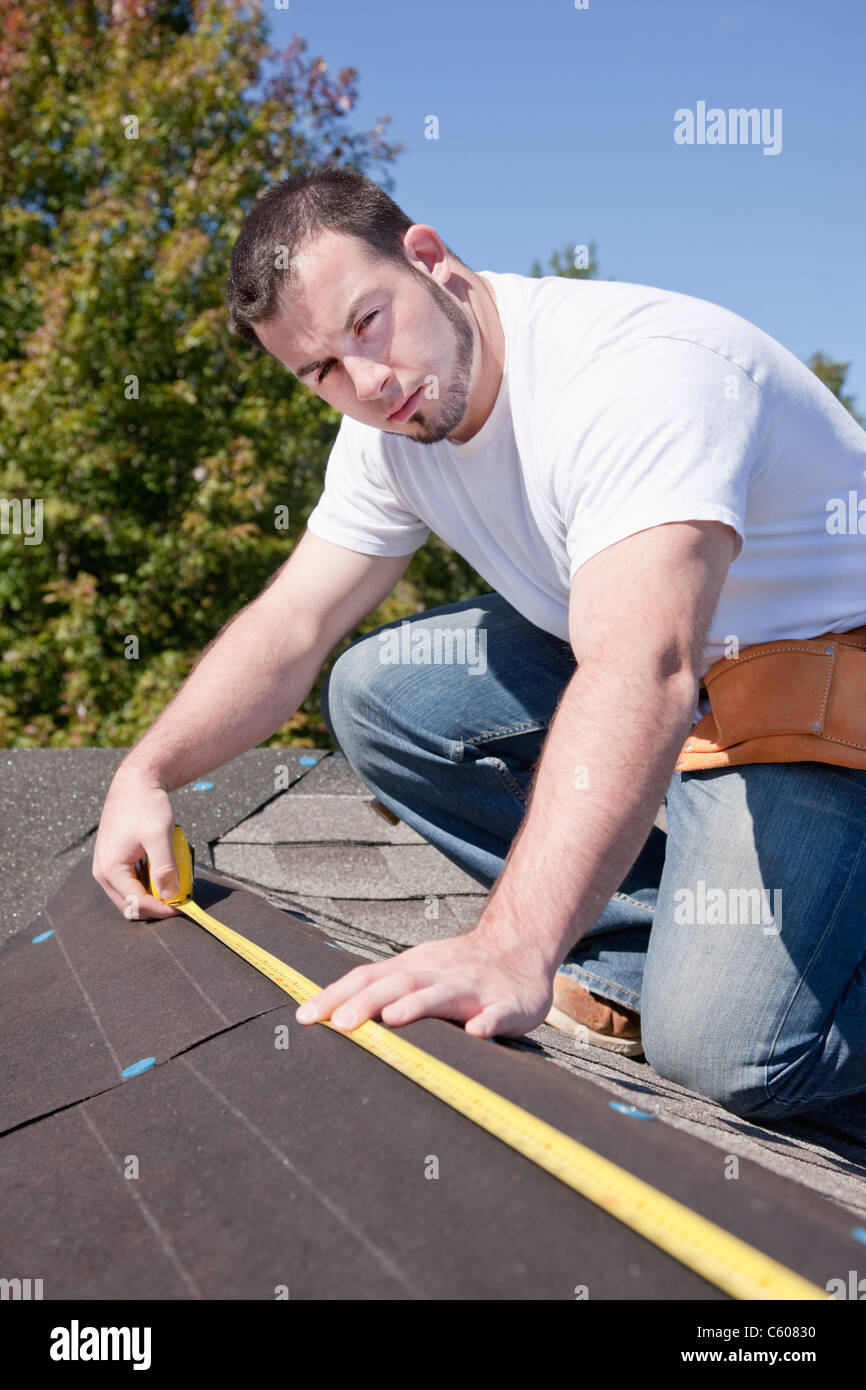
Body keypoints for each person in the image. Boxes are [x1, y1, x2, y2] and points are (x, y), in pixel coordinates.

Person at [93, 168, 866, 1121]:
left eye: (367, 322)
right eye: (321, 371)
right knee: (382, 688)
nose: (368, 384)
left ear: (429, 259)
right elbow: (294, 627)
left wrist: (511, 947)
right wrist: (147, 770)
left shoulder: (636, 376)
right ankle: (634, 962)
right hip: (694, 695)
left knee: (730, 1052)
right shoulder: (387, 435)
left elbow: (640, 673)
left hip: (823, 712)